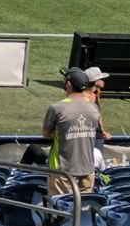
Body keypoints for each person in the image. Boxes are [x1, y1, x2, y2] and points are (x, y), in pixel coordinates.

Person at [42, 67, 101, 195]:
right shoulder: (94, 108)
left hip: (62, 171)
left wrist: (62, 132)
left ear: (68, 84)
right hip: (88, 170)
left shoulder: (57, 108)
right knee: (82, 209)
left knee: (60, 209)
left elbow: (46, 133)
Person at [84, 66, 114, 142]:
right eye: (102, 79)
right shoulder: (81, 97)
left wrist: (102, 130)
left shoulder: (96, 95)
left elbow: (98, 114)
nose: (104, 81)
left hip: (98, 135)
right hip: (85, 134)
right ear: (96, 81)